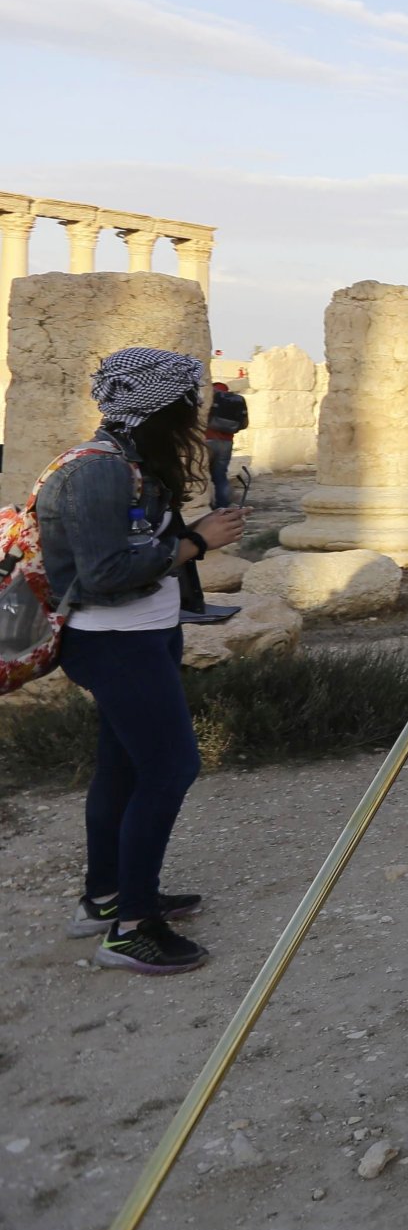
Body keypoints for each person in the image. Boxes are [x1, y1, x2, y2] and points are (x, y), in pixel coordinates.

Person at [37, 349, 248, 974]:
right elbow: (104, 574)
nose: (194, 419)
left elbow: (135, 547)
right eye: (186, 406)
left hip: (143, 634)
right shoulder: (99, 471)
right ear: (159, 408)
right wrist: (195, 542)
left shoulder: (132, 464)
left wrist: (191, 537)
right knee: (170, 768)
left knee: (124, 769)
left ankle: (105, 900)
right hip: (114, 641)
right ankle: (132, 929)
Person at [203, 377, 248, 508]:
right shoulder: (234, 400)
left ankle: (205, 504)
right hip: (227, 442)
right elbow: (243, 424)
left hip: (207, 440)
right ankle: (223, 505)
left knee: (202, 475)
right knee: (220, 476)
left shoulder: (208, 397)